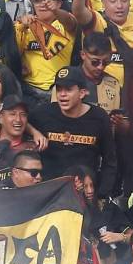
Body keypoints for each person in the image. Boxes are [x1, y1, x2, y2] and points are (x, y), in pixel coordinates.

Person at [30, 66, 118, 197]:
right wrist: (33, 132)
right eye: (59, 89)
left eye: (68, 89)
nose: (62, 94)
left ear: (82, 93)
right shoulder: (44, 112)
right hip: (49, 192)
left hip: (84, 194)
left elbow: (109, 161)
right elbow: (19, 120)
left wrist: (102, 195)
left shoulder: (99, 117)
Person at [15, 0, 77, 101]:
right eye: (37, 0)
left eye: (48, 0)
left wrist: (56, 11)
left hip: (58, 90)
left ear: (59, 3)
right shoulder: (25, 26)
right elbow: (12, 53)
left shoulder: (65, 23)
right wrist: (21, 26)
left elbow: (70, 22)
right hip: (29, 90)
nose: (42, 4)